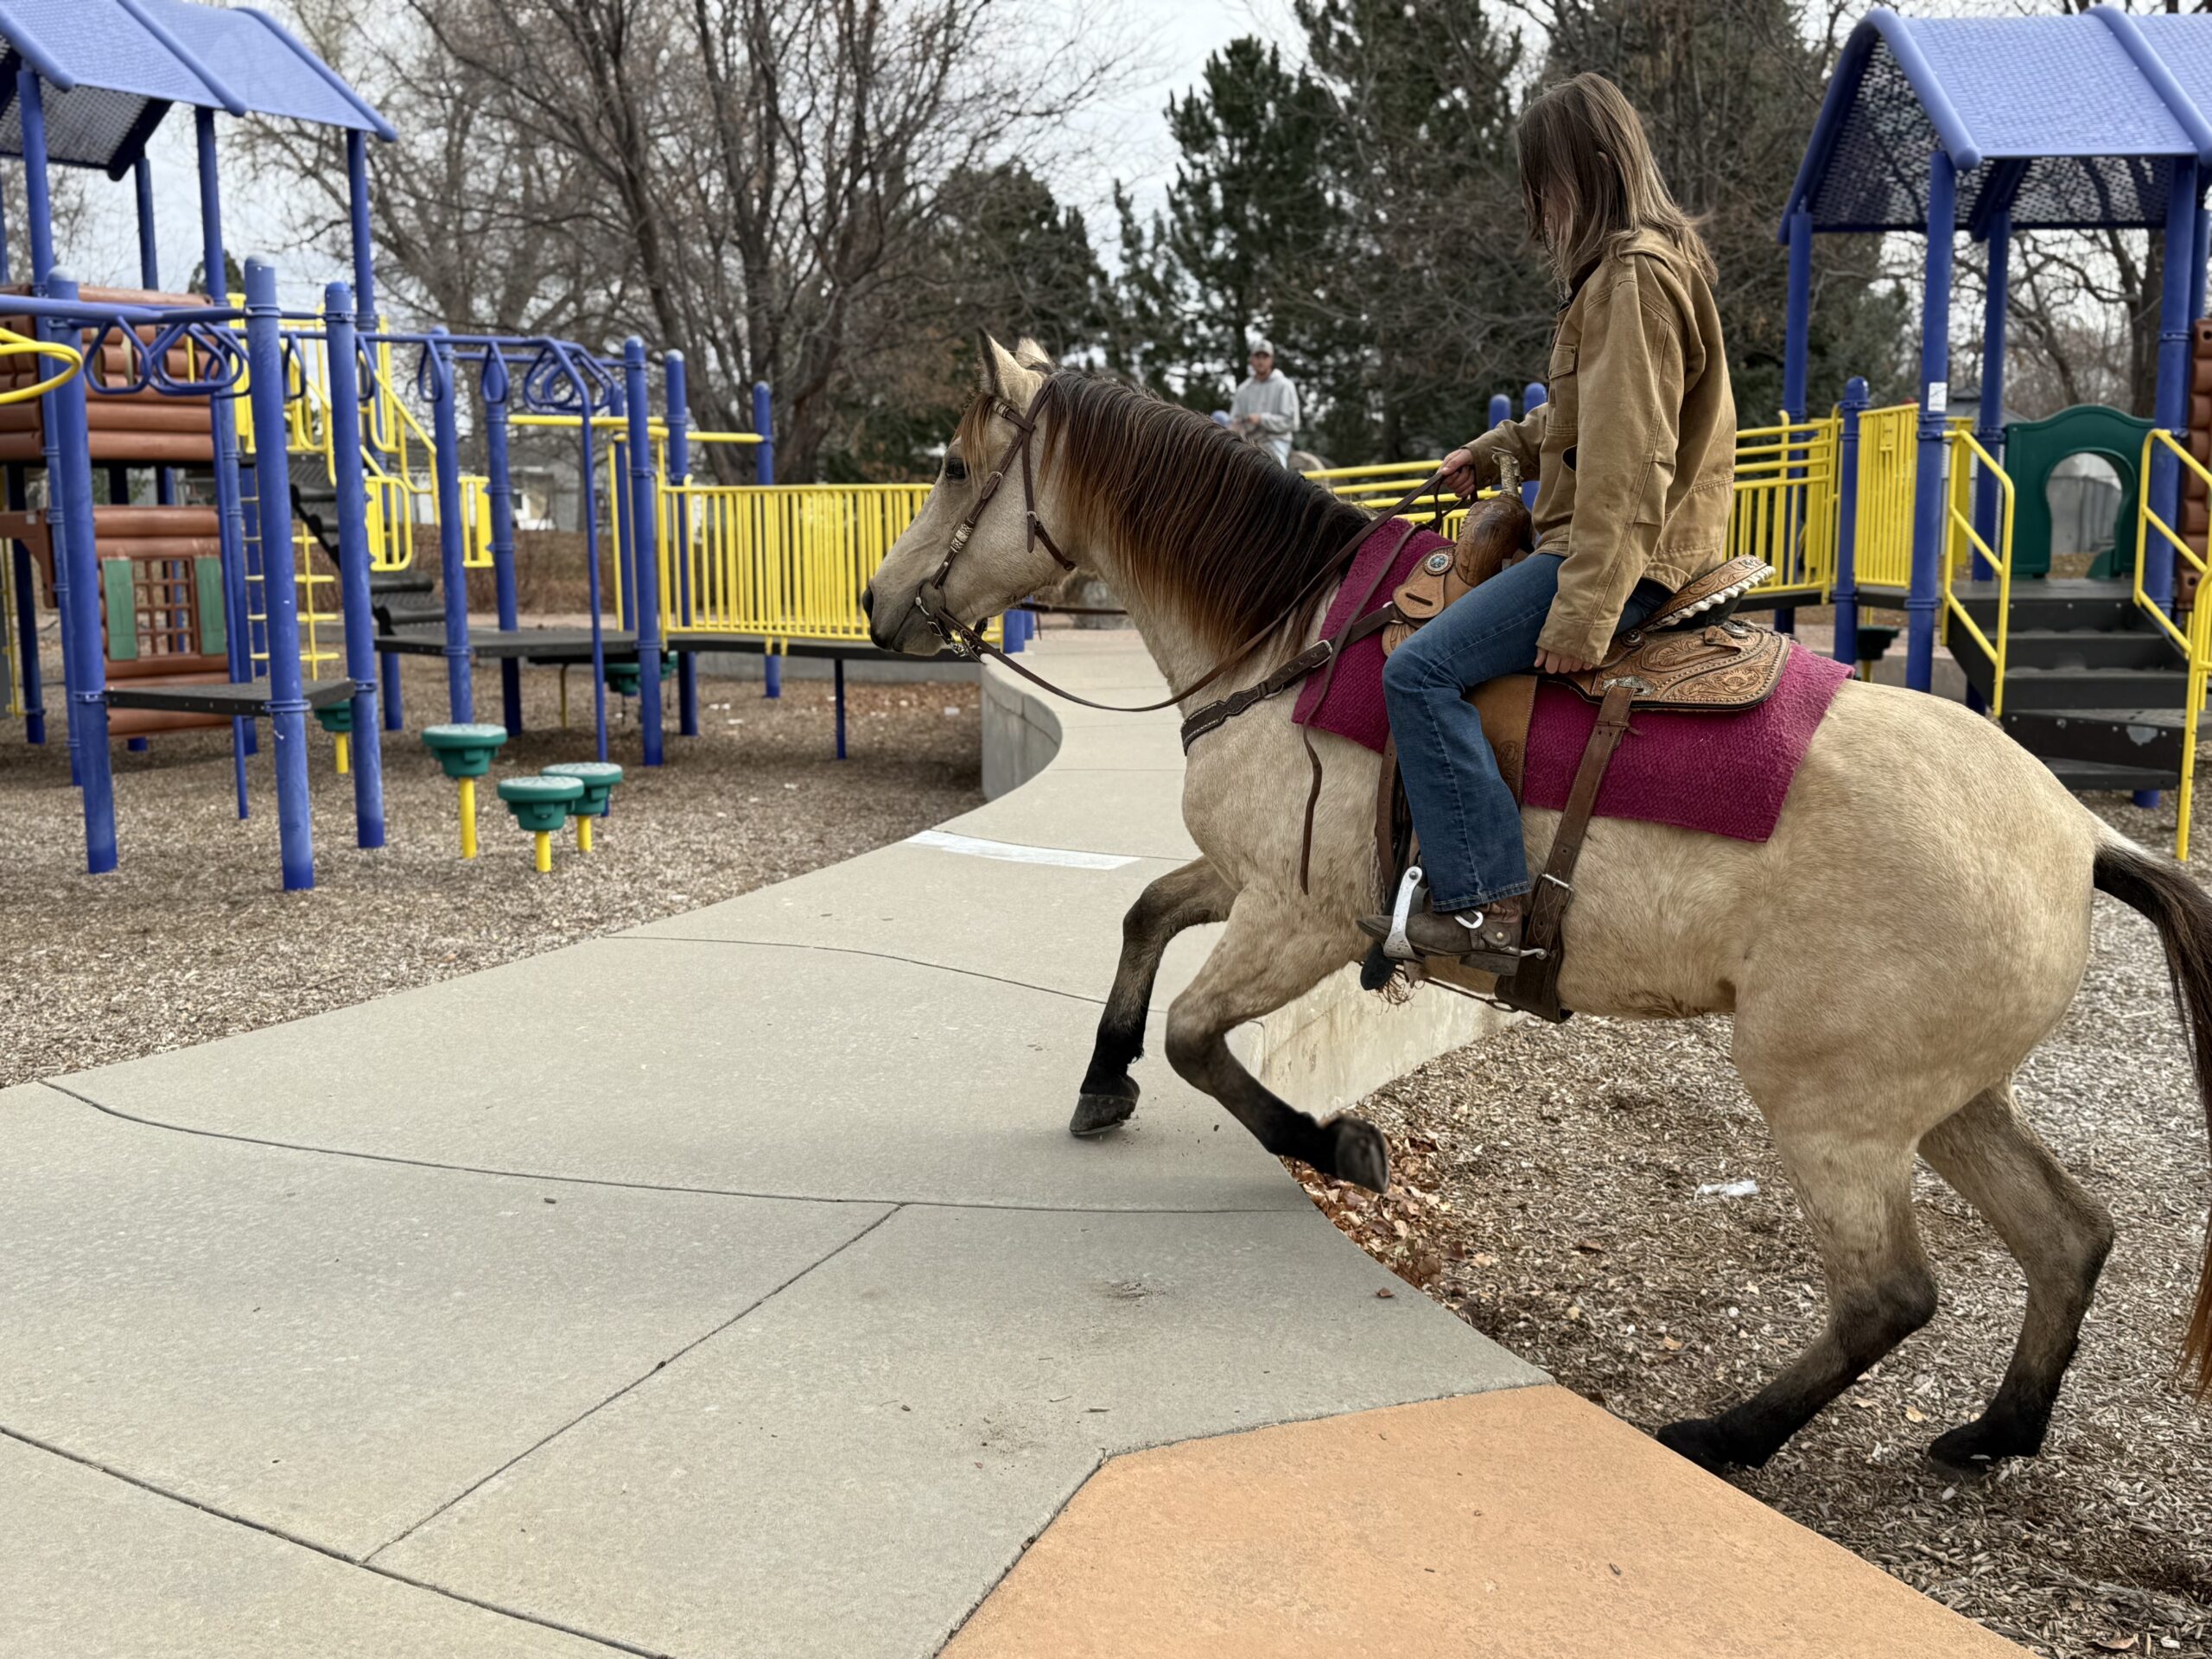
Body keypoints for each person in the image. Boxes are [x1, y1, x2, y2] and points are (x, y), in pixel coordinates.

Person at [1362, 72, 1737, 968]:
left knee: (1416, 674)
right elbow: (1578, 418)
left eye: (1546, 184)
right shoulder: (1626, 269)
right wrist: (1491, 455)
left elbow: (1631, 460)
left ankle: (1486, 904)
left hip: (1620, 558)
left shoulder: (1632, 277)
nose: (1538, 207)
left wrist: (1583, 610)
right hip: (1609, 541)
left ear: (1594, 170)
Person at [1229, 340, 1300, 465]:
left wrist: (1262, 419)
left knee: (1275, 470)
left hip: (1276, 442)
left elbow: (1292, 422)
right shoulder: (1243, 389)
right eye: (1257, 356)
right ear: (1251, 360)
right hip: (1248, 443)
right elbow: (1234, 422)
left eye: (1265, 357)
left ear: (1271, 360)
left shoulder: (1284, 385)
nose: (1261, 361)